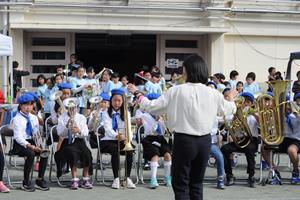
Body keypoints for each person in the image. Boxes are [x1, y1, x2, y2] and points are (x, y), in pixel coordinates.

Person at [128, 54, 237, 200]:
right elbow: (229, 109)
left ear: (188, 71)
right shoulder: (213, 93)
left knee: (181, 185)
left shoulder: (176, 91)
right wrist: (230, 98)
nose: (181, 73)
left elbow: (151, 107)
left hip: (184, 140)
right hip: (204, 141)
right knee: (197, 184)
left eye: (183, 70)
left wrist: (137, 93)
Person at [11, 94, 49, 192]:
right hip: (20, 144)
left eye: (30, 105)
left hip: (32, 141)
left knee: (45, 153)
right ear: (20, 106)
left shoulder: (33, 117)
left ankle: (40, 179)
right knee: (30, 154)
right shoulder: (17, 119)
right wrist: (30, 146)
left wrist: (39, 145)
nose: (28, 107)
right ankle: (26, 181)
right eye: (25, 105)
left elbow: (36, 133)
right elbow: (18, 137)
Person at [221, 92, 259, 188]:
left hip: (251, 140)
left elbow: (261, 124)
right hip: (239, 140)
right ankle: (229, 175)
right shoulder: (235, 114)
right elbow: (228, 124)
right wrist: (235, 118)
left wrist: (254, 113)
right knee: (225, 149)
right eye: (244, 102)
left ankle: (251, 176)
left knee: (250, 150)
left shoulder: (254, 115)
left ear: (251, 104)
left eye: (248, 102)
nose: (245, 104)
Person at [100, 89, 136, 189]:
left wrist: (128, 138)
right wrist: (117, 136)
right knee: (115, 150)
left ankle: (127, 178)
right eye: (115, 100)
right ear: (111, 101)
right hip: (108, 140)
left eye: (119, 101)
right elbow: (107, 129)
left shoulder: (126, 113)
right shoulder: (105, 113)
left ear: (122, 101)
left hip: (123, 139)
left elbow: (129, 128)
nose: (117, 103)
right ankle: (116, 178)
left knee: (130, 150)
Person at [135, 93, 172, 189]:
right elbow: (143, 125)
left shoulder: (162, 115)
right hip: (149, 138)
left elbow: (164, 130)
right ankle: (153, 179)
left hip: (160, 138)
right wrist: (155, 121)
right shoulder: (143, 113)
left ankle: (167, 177)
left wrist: (161, 121)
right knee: (155, 154)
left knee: (168, 154)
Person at [57, 98, 93, 190]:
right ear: (67, 108)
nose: (72, 110)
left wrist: (79, 131)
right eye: (70, 108)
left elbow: (85, 133)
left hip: (79, 140)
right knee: (72, 153)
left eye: (74, 108)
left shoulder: (81, 117)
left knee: (87, 153)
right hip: (67, 142)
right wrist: (67, 127)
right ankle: (74, 179)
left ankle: (85, 178)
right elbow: (60, 133)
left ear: (77, 108)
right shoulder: (62, 117)